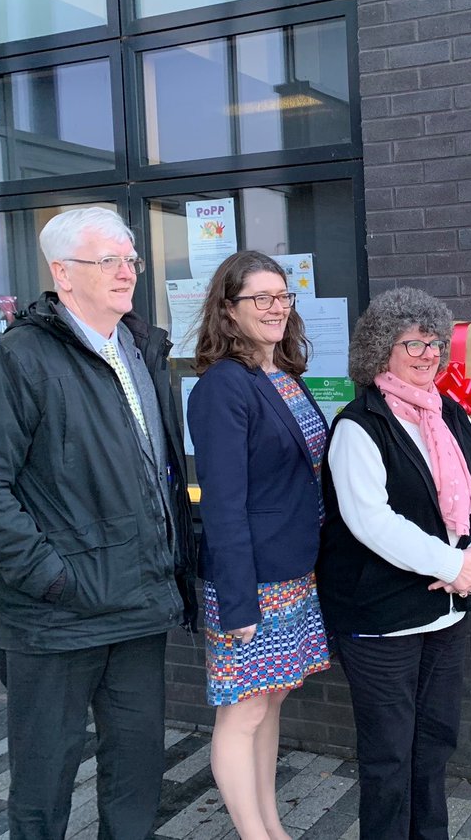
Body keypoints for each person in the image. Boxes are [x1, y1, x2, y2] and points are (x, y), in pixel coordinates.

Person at [0, 207, 196, 840]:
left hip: (137, 604)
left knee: (137, 770)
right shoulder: (18, 360)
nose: (126, 271)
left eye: (130, 259)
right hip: (56, 619)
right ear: (62, 273)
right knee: (43, 781)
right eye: (107, 260)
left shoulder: (139, 349)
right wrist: (53, 578)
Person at [316, 287, 471, 840]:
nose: (428, 353)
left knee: (434, 743)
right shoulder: (359, 425)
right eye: (412, 343)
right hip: (381, 619)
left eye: (435, 342)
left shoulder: (451, 413)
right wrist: (451, 562)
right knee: (388, 757)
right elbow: (370, 521)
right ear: (381, 350)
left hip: (445, 612)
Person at [187, 251, 331, 840]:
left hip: (292, 571)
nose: (276, 308)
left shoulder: (284, 376)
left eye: (283, 296)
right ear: (228, 310)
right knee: (243, 708)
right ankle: (253, 834)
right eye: (260, 298)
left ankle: (272, 825)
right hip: (251, 579)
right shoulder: (222, 386)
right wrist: (239, 600)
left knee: (270, 699)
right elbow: (223, 503)